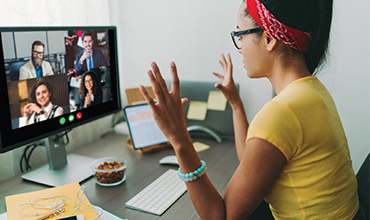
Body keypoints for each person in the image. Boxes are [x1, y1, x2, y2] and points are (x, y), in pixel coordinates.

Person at [139, 0, 361, 219]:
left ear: (269, 38)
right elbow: (251, 161)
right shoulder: (313, 91)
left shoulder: (282, 112)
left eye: (240, 34)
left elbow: (222, 217)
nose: (239, 47)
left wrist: (179, 140)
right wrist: (235, 103)